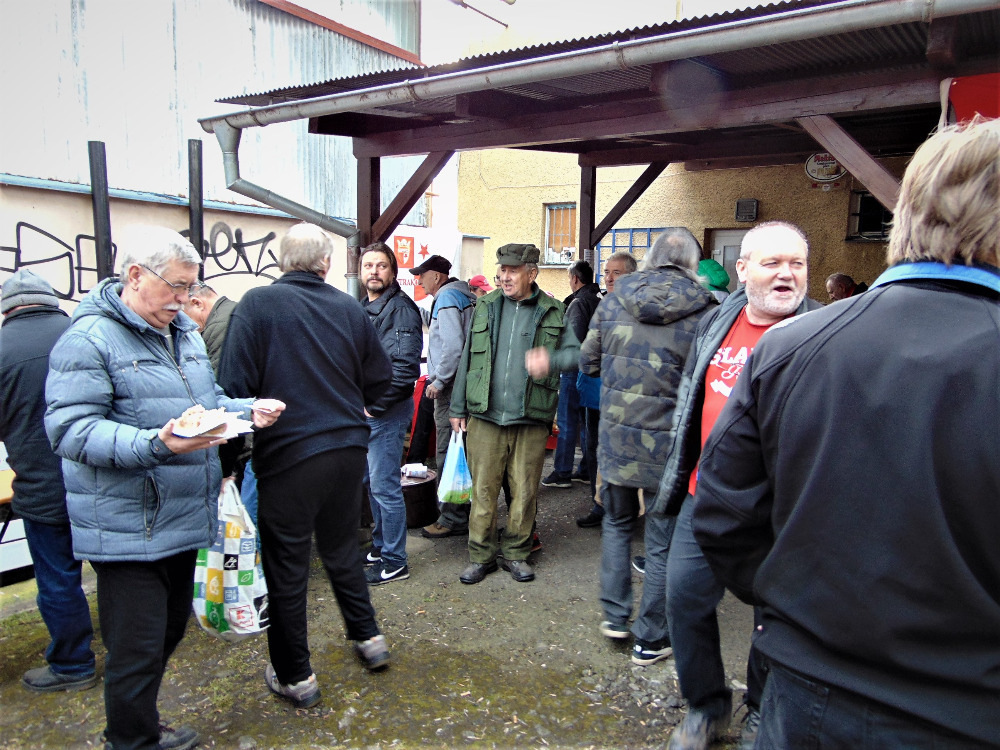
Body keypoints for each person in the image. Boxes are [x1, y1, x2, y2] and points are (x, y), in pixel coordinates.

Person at [693, 119, 1000, 749]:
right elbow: (723, 513)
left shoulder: (791, 347)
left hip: (808, 691)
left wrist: (798, 607)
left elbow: (725, 516)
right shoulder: (781, 346)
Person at [44, 226, 282, 750]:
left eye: (190, 288)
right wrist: (157, 443)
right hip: (127, 523)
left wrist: (247, 409)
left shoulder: (183, 334)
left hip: (181, 515)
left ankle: (141, 725)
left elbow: (207, 401)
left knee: (169, 633)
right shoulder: (89, 340)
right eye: (176, 286)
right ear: (135, 275)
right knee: (137, 648)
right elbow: (70, 430)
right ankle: (130, 739)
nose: (185, 299)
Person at [649, 221, 820, 750]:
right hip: (705, 497)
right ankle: (706, 706)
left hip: (780, 511)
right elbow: (690, 395)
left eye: (796, 264)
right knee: (683, 600)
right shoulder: (718, 318)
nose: (787, 274)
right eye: (773, 263)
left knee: (775, 617)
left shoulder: (822, 330)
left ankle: (762, 710)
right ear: (742, 270)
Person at [218, 223, 393, 709]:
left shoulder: (256, 304)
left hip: (290, 457)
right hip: (347, 451)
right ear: (326, 264)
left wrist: (228, 465)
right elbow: (382, 377)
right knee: (341, 549)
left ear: (281, 261)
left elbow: (233, 389)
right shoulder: (348, 308)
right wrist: (354, 406)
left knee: (288, 566)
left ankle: (295, 675)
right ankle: (369, 639)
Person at [580, 229, 716, 668]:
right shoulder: (709, 311)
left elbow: (588, 362)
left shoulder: (614, 300)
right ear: (693, 264)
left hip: (618, 440)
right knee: (661, 541)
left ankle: (615, 616)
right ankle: (652, 638)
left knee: (617, 524)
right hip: (672, 449)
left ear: (651, 258)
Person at [449, 243, 580, 585]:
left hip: (531, 417)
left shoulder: (553, 310)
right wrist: (457, 407)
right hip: (486, 416)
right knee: (483, 492)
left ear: (531, 273)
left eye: (512, 271)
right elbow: (467, 357)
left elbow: (577, 355)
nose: (504, 277)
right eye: (502, 270)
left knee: (524, 493)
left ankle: (517, 554)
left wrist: (551, 360)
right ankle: (481, 556)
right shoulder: (486, 305)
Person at [0, 270, 97, 694]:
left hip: (42, 488)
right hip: (100, 479)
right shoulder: (88, 333)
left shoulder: (2, 349)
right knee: (121, 573)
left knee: (58, 579)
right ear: (52, 301)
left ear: (8, 310)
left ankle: (73, 665)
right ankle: (134, 651)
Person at [359, 242, 422, 585]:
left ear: (393, 272)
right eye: (368, 265)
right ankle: (381, 545)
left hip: (385, 412)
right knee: (374, 484)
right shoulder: (365, 306)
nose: (374, 271)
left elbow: (405, 369)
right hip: (369, 411)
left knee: (385, 487)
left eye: (381, 265)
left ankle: (395, 561)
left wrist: (373, 408)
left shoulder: (400, 310)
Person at [411, 255, 476, 540]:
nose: (419, 281)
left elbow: (452, 346)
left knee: (449, 452)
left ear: (436, 276)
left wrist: (439, 380)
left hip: (450, 388)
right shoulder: (463, 295)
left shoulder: (447, 298)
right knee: (462, 451)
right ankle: (464, 513)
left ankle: (451, 517)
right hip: (465, 384)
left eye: (422, 275)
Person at [185, 283, 258, 524]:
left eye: (183, 314)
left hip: (246, 438)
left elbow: (216, 395)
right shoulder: (235, 312)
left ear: (197, 303)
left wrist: (226, 467)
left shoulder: (219, 326)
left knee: (245, 522)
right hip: (255, 428)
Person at [575, 252, 637, 528]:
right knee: (594, 450)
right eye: (606, 272)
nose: (609, 278)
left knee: (621, 452)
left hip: (621, 396)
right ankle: (599, 505)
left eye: (617, 273)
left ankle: (621, 510)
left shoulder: (637, 309)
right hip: (594, 392)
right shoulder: (602, 304)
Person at [541, 260, 599, 489]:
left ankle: (562, 472)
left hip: (574, 370)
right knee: (586, 422)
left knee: (567, 421)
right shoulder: (600, 299)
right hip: (593, 370)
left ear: (575, 279)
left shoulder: (578, 302)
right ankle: (585, 470)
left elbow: (573, 342)